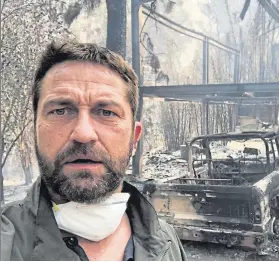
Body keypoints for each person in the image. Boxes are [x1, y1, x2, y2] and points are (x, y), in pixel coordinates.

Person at [1, 41, 187, 261]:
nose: (83, 133)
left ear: (134, 138)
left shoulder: (167, 242)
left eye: (107, 112)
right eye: (60, 110)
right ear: (34, 130)